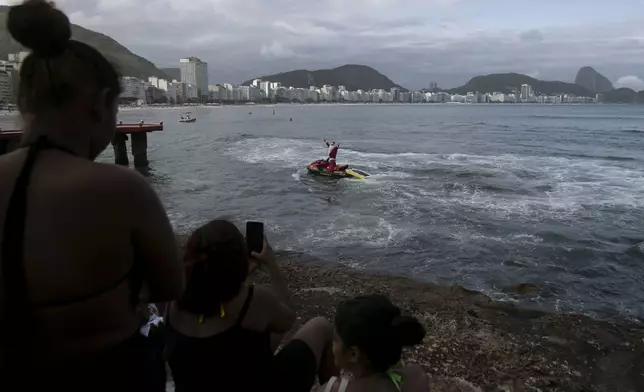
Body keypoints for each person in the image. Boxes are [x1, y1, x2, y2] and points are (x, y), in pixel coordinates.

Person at [0, 1, 184, 390]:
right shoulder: (120, 187)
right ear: (101, 105)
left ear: (23, 105)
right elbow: (171, 285)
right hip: (107, 369)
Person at [166, 219, 339, 392]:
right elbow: (287, 319)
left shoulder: (172, 303)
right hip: (256, 384)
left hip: (206, 380)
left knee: (253, 333)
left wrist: (237, 278)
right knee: (320, 326)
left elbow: (214, 299)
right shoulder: (256, 299)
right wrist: (272, 265)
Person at [317, 295, 429, 392]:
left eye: (335, 339)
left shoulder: (331, 389)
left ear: (353, 354)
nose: (332, 343)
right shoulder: (416, 378)